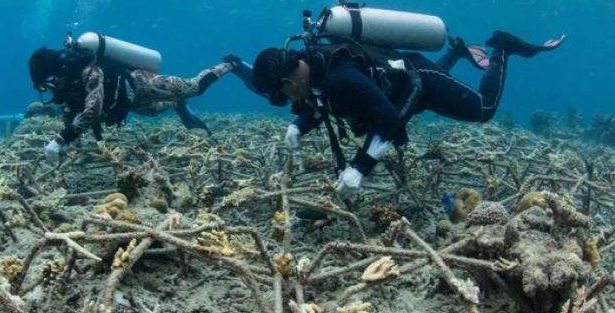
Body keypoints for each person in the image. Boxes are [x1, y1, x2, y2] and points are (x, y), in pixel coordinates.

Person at [234, 30, 564, 195]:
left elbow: (388, 119)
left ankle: (501, 48)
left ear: (287, 80)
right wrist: (298, 126)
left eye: (281, 93)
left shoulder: (339, 78)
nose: (287, 99)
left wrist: (360, 167)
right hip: (401, 84)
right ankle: (456, 51)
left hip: (421, 82)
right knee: (429, 82)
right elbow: (320, 104)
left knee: (484, 109)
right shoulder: (314, 68)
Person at [28, 43, 235, 162]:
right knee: (153, 111)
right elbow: (70, 118)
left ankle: (230, 64)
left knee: (194, 88)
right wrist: (75, 148)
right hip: (130, 103)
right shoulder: (65, 91)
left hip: (141, 84)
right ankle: (177, 104)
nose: (50, 91)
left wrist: (59, 140)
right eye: (44, 89)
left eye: (49, 84)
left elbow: (92, 111)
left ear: (61, 71)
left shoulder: (90, 72)